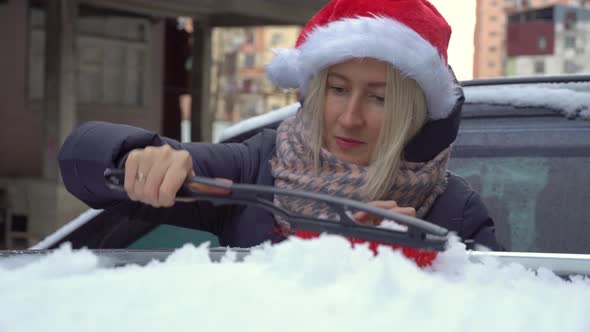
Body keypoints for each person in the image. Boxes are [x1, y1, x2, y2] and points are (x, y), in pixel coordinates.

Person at [58, 0, 502, 251]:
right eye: (338, 89)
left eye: (380, 98)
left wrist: (416, 264)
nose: (349, 117)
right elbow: (82, 160)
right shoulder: (258, 167)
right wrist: (134, 157)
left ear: (413, 110)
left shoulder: (454, 213)